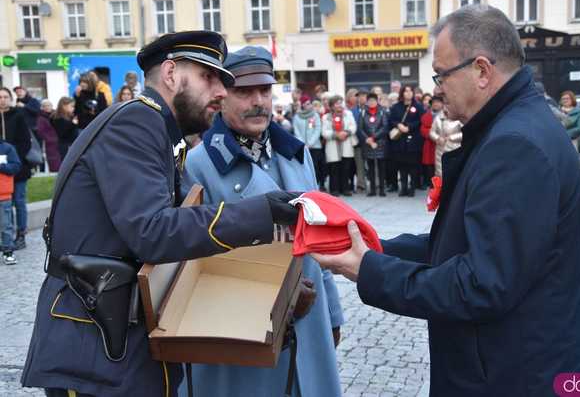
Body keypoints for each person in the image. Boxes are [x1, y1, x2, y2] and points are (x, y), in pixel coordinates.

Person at [311, 5, 580, 396]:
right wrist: (373, 248)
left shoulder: (514, 145)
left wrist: (372, 272)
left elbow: (481, 283)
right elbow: (464, 243)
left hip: (518, 376)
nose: (436, 88)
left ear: (482, 70)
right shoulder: (513, 125)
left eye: (441, 74)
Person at [21, 31, 301, 397]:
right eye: (209, 77)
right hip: (93, 346)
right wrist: (264, 212)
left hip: (115, 340)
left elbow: (188, 220)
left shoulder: (158, 128)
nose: (220, 91)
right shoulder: (137, 123)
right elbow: (153, 232)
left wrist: (271, 281)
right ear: (170, 74)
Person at [180, 45, 343, 397]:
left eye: (265, 90)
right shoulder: (198, 164)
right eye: (244, 91)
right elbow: (191, 265)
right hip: (242, 334)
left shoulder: (297, 153)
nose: (258, 101)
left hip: (307, 322)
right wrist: (277, 296)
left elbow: (320, 238)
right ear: (222, 96)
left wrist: (332, 311)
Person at [0, 87, 32, 251]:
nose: (3, 100)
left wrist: (12, 156)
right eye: (0, 97)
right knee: (5, 204)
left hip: (17, 166)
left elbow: (26, 141)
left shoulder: (18, 116)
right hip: (1, 171)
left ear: (10, 99)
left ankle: (21, 234)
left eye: (6, 97)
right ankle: (7, 236)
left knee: (19, 202)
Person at [387, 85, 424, 197]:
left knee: (413, 166)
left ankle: (412, 188)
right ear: (402, 93)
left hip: (413, 140)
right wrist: (398, 124)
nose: (408, 93)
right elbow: (391, 120)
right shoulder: (396, 107)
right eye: (406, 91)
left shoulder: (418, 106)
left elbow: (421, 121)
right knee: (402, 166)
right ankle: (403, 188)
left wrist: (409, 127)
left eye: (410, 91)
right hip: (400, 141)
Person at [322, 95, 356, 196]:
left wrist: (346, 133)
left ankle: (345, 189)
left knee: (346, 168)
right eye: (337, 103)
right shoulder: (326, 117)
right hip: (332, 145)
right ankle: (334, 189)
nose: (339, 105)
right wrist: (336, 135)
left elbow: (353, 126)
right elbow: (324, 132)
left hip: (346, 144)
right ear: (332, 106)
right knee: (334, 168)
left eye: (341, 103)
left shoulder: (348, 114)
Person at [358, 92, 388, 197]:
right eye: (369, 101)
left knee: (381, 167)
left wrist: (374, 137)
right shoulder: (363, 112)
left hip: (380, 143)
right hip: (368, 144)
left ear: (377, 101)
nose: (371, 103)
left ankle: (382, 189)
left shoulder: (382, 112)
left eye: (373, 100)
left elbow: (384, 127)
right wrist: (367, 139)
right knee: (370, 168)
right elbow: (360, 128)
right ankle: (372, 190)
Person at [293, 95, 326, 191]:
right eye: (307, 104)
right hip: (302, 147)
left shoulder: (315, 115)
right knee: (305, 167)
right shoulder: (297, 116)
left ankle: (320, 184)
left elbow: (317, 129)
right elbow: (296, 131)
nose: (309, 105)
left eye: (309, 103)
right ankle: (308, 186)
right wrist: (302, 143)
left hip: (315, 146)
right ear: (302, 105)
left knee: (317, 166)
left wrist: (310, 143)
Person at [0, 138, 21, 265]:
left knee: (6, 225)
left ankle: (8, 251)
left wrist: (1, 166)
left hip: (4, 194)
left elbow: (16, 166)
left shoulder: (7, 148)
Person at [36, 99, 61, 172]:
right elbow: (41, 131)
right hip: (50, 144)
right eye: (45, 106)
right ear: (42, 107)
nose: (47, 107)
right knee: (54, 162)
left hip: (60, 141)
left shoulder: (56, 115)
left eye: (49, 105)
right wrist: (50, 139)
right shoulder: (41, 118)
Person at [50, 97, 79, 162]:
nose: (73, 108)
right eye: (71, 106)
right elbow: (62, 133)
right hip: (65, 145)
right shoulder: (58, 119)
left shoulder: (70, 116)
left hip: (71, 143)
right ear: (64, 106)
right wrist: (73, 124)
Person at [419, 95, 437, 188]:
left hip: (443, 143)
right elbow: (423, 129)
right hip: (430, 143)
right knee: (430, 165)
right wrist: (434, 135)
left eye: (438, 102)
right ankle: (431, 184)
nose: (436, 105)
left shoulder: (446, 114)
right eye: (434, 103)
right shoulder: (426, 116)